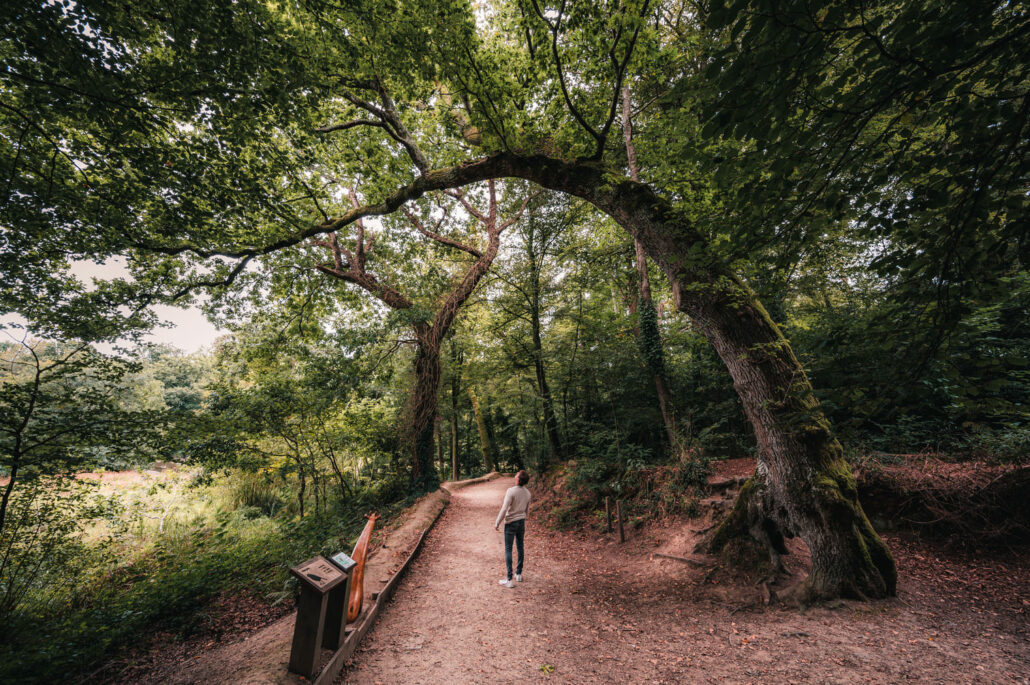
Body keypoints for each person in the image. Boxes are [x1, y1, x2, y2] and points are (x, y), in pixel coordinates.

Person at [494, 470, 531, 589]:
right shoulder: (528, 493)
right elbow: (526, 510)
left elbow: (504, 509)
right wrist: (522, 517)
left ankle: (509, 579)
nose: (515, 475)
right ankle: (518, 574)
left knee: (508, 549)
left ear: (518, 479)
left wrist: (497, 522)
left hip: (511, 523)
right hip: (521, 522)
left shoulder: (511, 491)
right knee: (520, 547)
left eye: (517, 474)